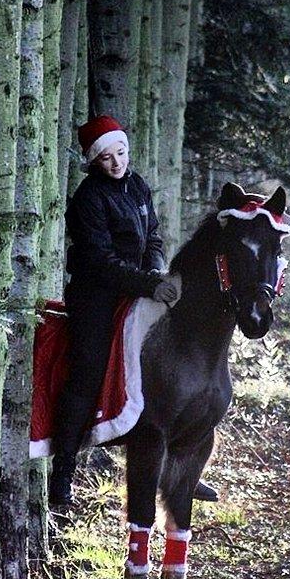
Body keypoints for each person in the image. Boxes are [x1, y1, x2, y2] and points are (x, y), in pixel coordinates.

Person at [49, 114, 218, 508]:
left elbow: (153, 237)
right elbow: (101, 262)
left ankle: (184, 470)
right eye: (106, 157)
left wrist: (157, 270)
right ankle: (64, 469)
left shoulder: (137, 186)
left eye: (121, 152)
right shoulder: (88, 199)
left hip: (142, 286)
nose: (116, 162)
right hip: (96, 296)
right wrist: (150, 283)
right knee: (88, 371)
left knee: (175, 365)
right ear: (94, 161)